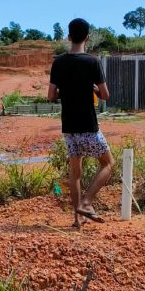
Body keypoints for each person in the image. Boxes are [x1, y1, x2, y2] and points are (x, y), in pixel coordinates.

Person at [48, 18, 113, 227]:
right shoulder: (92, 62)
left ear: (68, 37)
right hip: (88, 125)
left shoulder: (58, 62)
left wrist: (67, 89)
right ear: (87, 37)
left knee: (75, 173)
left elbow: (50, 96)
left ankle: (77, 220)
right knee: (108, 163)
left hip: (69, 127)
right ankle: (86, 202)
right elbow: (105, 95)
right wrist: (90, 88)